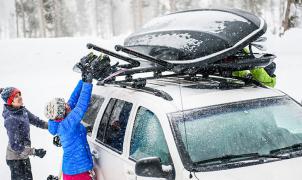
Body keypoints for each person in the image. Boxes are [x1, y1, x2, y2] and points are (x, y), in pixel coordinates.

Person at [44, 68, 94, 180]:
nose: (68, 105)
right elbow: (81, 106)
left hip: (73, 170)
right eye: (65, 106)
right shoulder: (67, 125)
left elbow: (74, 98)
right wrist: (88, 84)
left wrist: (83, 80)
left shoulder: (60, 120)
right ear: (62, 113)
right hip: (78, 173)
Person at [0, 87, 48, 180]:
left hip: (23, 155)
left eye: (20, 95)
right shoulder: (11, 119)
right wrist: (34, 151)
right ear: (11, 102)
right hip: (15, 160)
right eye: (16, 96)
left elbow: (37, 121)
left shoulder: (22, 110)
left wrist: (52, 126)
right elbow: (16, 146)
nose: (20, 97)